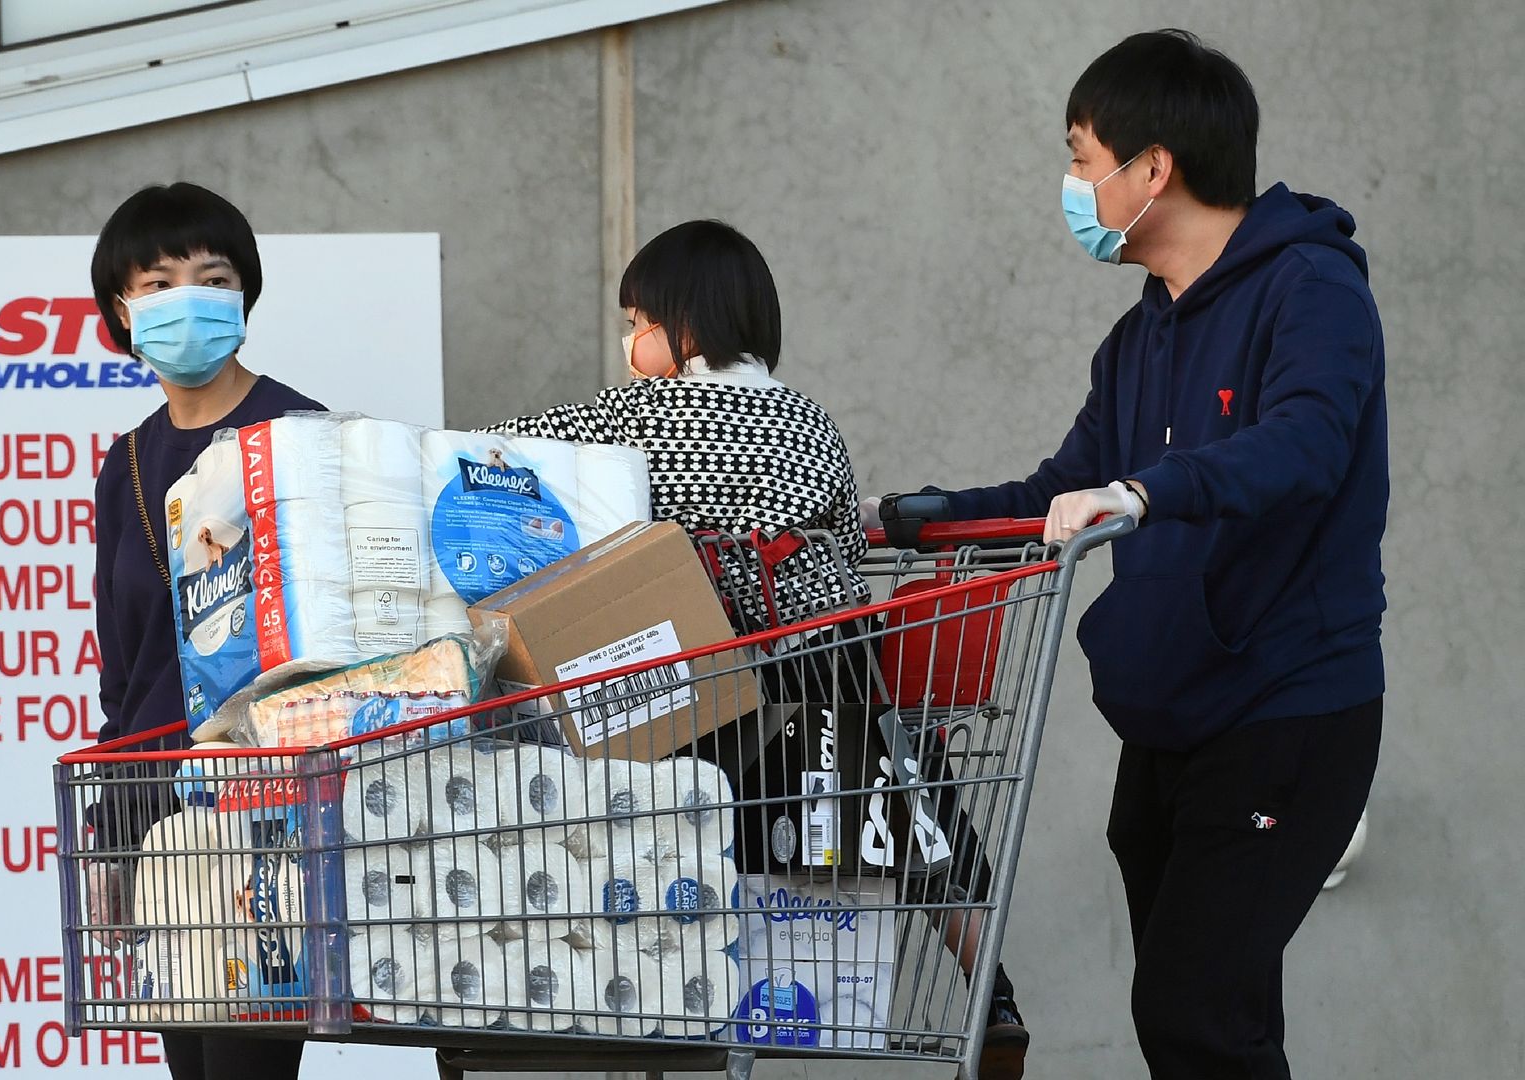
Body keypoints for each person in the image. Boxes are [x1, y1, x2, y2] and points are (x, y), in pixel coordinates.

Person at [878, 30, 1387, 1079]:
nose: (1072, 186)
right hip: (1166, 722)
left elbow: (1306, 443)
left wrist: (1148, 490)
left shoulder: (1309, 287)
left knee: (1193, 1011)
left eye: (1081, 158)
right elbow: (1058, 490)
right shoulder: (1136, 339)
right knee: (1207, 1028)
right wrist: (911, 519)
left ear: (1153, 168)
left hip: (1286, 708)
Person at [483, 219, 1029, 1078]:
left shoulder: (633, 415)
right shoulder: (812, 421)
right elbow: (844, 537)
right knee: (903, 787)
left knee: (668, 832)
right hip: (831, 674)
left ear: (684, 327)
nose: (630, 342)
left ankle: (675, 1017)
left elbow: (500, 451)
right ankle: (990, 987)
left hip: (712, 693)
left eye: (638, 323)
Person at [84, 182, 322, 1080]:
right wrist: (112, 834)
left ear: (243, 294)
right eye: (158, 283)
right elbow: (126, 675)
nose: (188, 299)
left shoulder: (298, 435)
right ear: (123, 309)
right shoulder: (127, 465)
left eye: (212, 278)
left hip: (271, 803)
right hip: (161, 817)